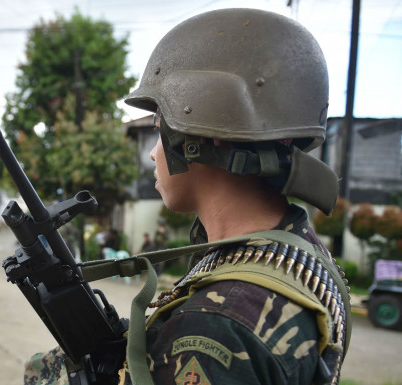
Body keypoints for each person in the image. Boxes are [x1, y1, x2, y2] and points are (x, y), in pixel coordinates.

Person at [25, 8, 350, 385]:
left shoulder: (214, 331)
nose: (152, 152)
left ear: (203, 136)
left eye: (159, 127)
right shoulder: (297, 248)